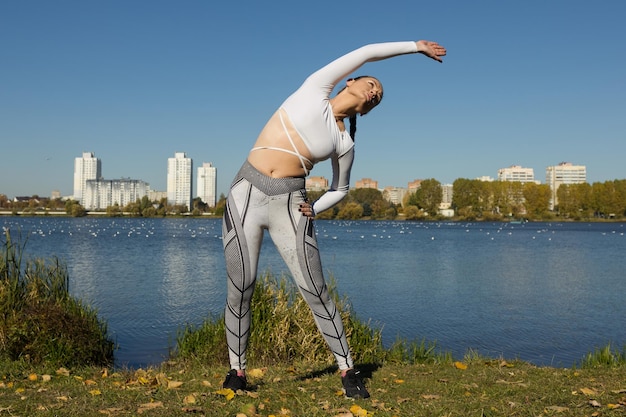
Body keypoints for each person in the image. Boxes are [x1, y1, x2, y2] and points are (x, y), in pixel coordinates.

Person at [221, 39, 446, 398]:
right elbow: (367, 52)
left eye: (379, 97)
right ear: (350, 82)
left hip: (291, 203)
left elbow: (341, 188)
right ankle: (236, 372)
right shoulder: (314, 89)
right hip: (245, 193)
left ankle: (348, 371)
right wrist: (415, 47)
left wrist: (317, 208)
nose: (375, 93)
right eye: (372, 85)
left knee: (315, 290)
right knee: (241, 286)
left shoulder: (344, 141)